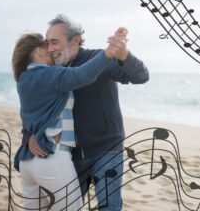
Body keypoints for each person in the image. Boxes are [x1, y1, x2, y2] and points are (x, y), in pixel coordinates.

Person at [25, 14, 149, 210]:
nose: (50, 49)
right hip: (68, 156)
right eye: (48, 43)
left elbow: (141, 76)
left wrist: (124, 54)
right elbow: (34, 106)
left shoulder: (99, 58)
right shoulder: (50, 71)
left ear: (74, 40)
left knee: (109, 207)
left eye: (55, 42)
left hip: (106, 149)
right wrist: (30, 134)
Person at [12, 30, 126, 210]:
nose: (51, 49)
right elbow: (82, 75)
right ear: (39, 51)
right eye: (46, 46)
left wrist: (31, 136)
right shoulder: (49, 75)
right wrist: (107, 53)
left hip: (27, 162)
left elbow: (32, 116)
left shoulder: (23, 79)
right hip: (52, 157)